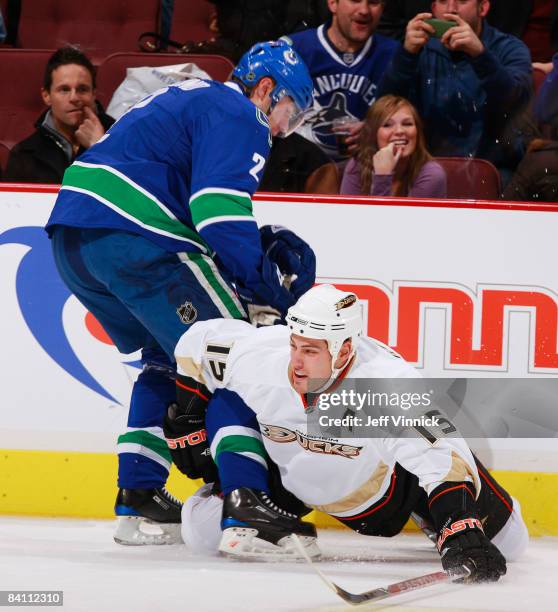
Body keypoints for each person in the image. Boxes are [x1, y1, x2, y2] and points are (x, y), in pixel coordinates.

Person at [44, 40, 317, 546]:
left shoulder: (196, 98)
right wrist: (265, 289)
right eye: (289, 111)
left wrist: (250, 247)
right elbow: (216, 213)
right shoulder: (242, 112)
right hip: (133, 238)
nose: (283, 129)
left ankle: (139, 497)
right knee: (236, 352)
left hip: (74, 239)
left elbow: (186, 197)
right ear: (265, 89)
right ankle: (247, 507)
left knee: (169, 361)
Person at [169, 285, 528, 580]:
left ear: (344, 350)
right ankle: (253, 503)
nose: (295, 361)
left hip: (387, 489)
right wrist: (184, 417)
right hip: (293, 476)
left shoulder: (383, 383)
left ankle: (430, 507)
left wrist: (457, 524)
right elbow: (196, 345)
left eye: (310, 350)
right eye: (294, 344)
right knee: (201, 533)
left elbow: (440, 454)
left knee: (511, 542)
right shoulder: (261, 356)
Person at [378, 0, 533, 178]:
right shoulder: (418, 50)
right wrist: (405, 56)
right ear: (434, 9)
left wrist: (480, 55)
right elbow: (384, 110)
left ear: (482, 8)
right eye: (443, 2)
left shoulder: (511, 49)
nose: (451, 9)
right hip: (426, 169)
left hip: (494, 168)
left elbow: (516, 103)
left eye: (462, 1)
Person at [282, 0, 399, 161]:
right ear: (332, 3)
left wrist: (377, 130)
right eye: (355, 0)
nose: (364, 10)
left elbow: (410, 121)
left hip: (368, 169)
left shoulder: (396, 55)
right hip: (299, 171)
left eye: (373, 2)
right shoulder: (290, 50)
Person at [4, 47, 114, 184]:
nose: (74, 97)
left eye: (82, 89)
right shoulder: (24, 154)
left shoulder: (122, 136)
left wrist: (101, 148)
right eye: (64, 90)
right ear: (46, 96)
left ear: (94, 94)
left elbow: (133, 197)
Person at [340, 95, 447, 197]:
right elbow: (349, 215)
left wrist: (382, 178)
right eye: (387, 125)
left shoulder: (432, 174)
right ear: (373, 134)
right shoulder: (356, 167)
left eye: (407, 124)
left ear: (417, 131)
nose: (400, 131)